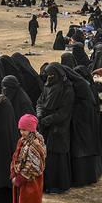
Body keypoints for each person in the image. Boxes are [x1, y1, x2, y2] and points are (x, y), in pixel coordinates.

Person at [36, 63, 74, 194]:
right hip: (45, 126)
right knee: (46, 156)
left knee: (57, 157)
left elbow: (64, 112)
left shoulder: (67, 89)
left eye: (52, 75)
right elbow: (40, 101)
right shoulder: (47, 86)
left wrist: (49, 119)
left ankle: (58, 185)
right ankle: (46, 184)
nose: (50, 77)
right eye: (48, 75)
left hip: (58, 128)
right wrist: (40, 114)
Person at [11, 114, 47, 203]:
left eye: (24, 130)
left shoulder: (35, 144)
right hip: (23, 180)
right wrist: (13, 171)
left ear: (31, 129)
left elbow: (33, 166)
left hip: (31, 182)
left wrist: (19, 179)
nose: (21, 132)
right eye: (20, 129)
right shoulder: (23, 140)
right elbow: (16, 157)